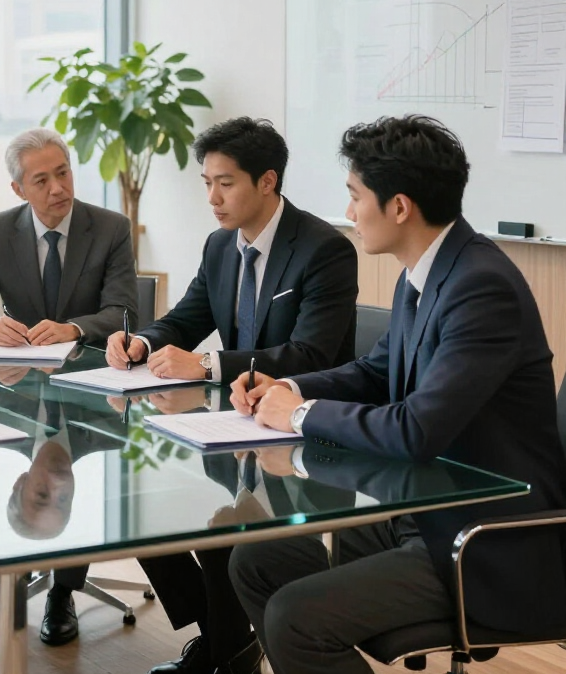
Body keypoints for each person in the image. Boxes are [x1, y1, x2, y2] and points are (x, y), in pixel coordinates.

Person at [228, 115, 566, 674]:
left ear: (400, 207)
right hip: (422, 511)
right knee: (257, 559)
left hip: (482, 540)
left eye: (355, 197)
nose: (351, 213)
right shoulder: (429, 272)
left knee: (295, 616)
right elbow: (375, 370)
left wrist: (302, 414)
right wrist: (286, 386)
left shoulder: (480, 286)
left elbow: (415, 429)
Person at [105, 117, 358, 674]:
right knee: (138, 510)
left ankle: (225, 648)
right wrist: (141, 343)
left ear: (267, 181)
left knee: (221, 529)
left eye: (226, 183)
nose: (213, 198)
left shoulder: (324, 250)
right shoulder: (221, 245)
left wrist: (209, 363)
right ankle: (224, 637)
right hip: (231, 429)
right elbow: (187, 316)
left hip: (299, 439)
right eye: (206, 182)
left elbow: (311, 354)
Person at [0, 126, 139, 645]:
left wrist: (76, 329)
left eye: (63, 172)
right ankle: (13, 584)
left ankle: (61, 593)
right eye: (42, 179)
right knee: (17, 484)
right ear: (19, 189)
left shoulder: (111, 227)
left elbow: (124, 310)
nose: (58, 188)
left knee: (71, 481)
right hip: (17, 397)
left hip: (93, 401)